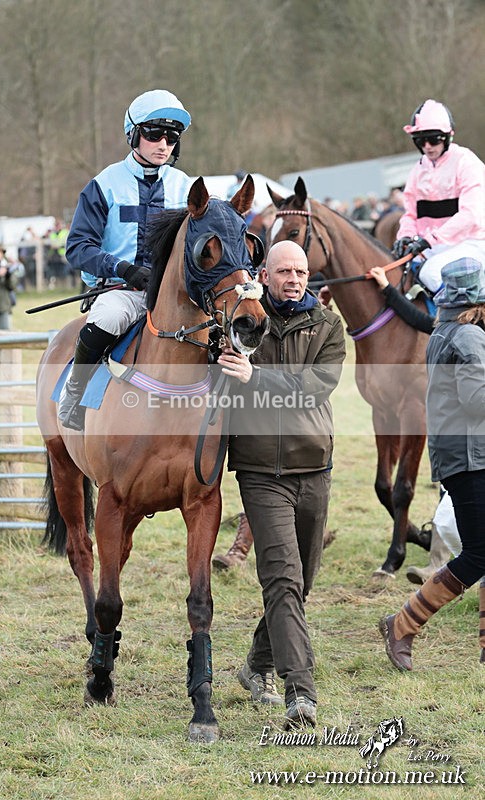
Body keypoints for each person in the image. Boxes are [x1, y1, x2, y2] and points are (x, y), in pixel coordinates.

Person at [218, 240, 346, 728]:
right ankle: (301, 694)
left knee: (302, 582)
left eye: (301, 271)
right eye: (284, 271)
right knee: (283, 579)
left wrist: (255, 376)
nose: (294, 278)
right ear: (265, 275)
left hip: (315, 467)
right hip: (260, 471)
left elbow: (315, 388)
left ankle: (256, 664)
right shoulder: (244, 321)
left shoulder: (329, 326)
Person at [58, 89, 192, 431]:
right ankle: (76, 392)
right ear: (133, 134)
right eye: (153, 134)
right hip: (121, 291)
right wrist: (124, 268)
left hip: (173, 295)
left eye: (172, 137)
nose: (163, 144)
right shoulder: (104, 185)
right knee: (109, 317)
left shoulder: (185, 186)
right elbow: (77, 247)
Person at [379, 256, 485, 670]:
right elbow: (477, 402)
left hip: (461, 456)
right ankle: (402, 624)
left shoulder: (445, 331)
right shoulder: (469, 337)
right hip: (471, 458)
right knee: (477, 555)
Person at [392, 99, 485, 295]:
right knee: (395, 271)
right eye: (420, 140)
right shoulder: (418, 169)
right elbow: (410, 214)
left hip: (473, 242)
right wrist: (405, 236)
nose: (427, 146)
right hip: (435, 246)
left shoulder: (466, 162)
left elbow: (471, 215)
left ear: (448, 137)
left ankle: (468, 320)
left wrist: (430, 240)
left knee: (432, 273)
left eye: (433, 139)